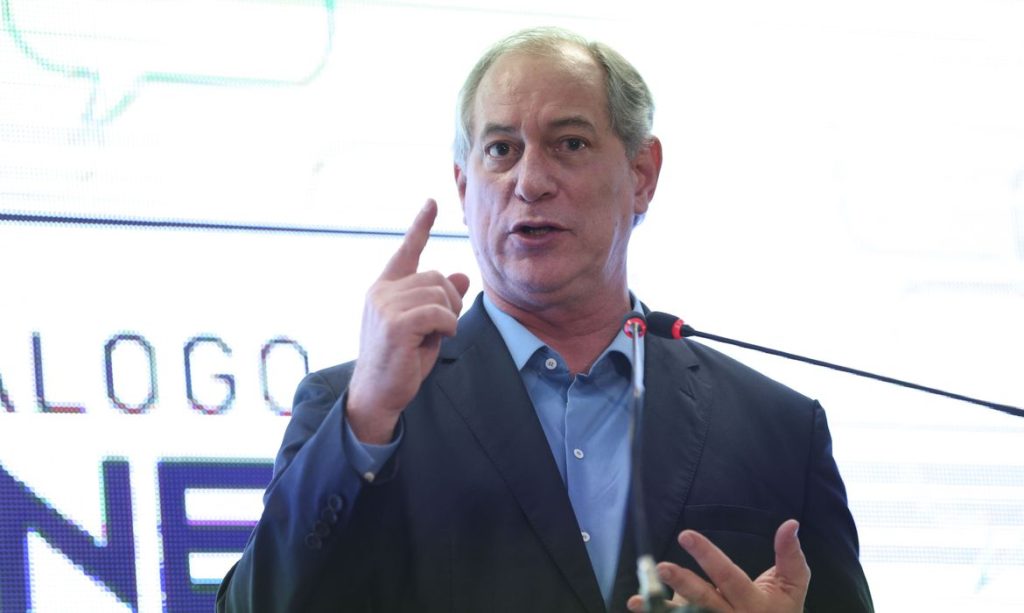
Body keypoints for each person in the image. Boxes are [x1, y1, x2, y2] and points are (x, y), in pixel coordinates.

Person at [217, 27, 873, 613]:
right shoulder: (360, 412)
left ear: (642, 174)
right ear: (465, 187)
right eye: (501, 149)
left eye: (570, 143)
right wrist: (365, 418)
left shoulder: (779, 429)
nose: (530, 181)